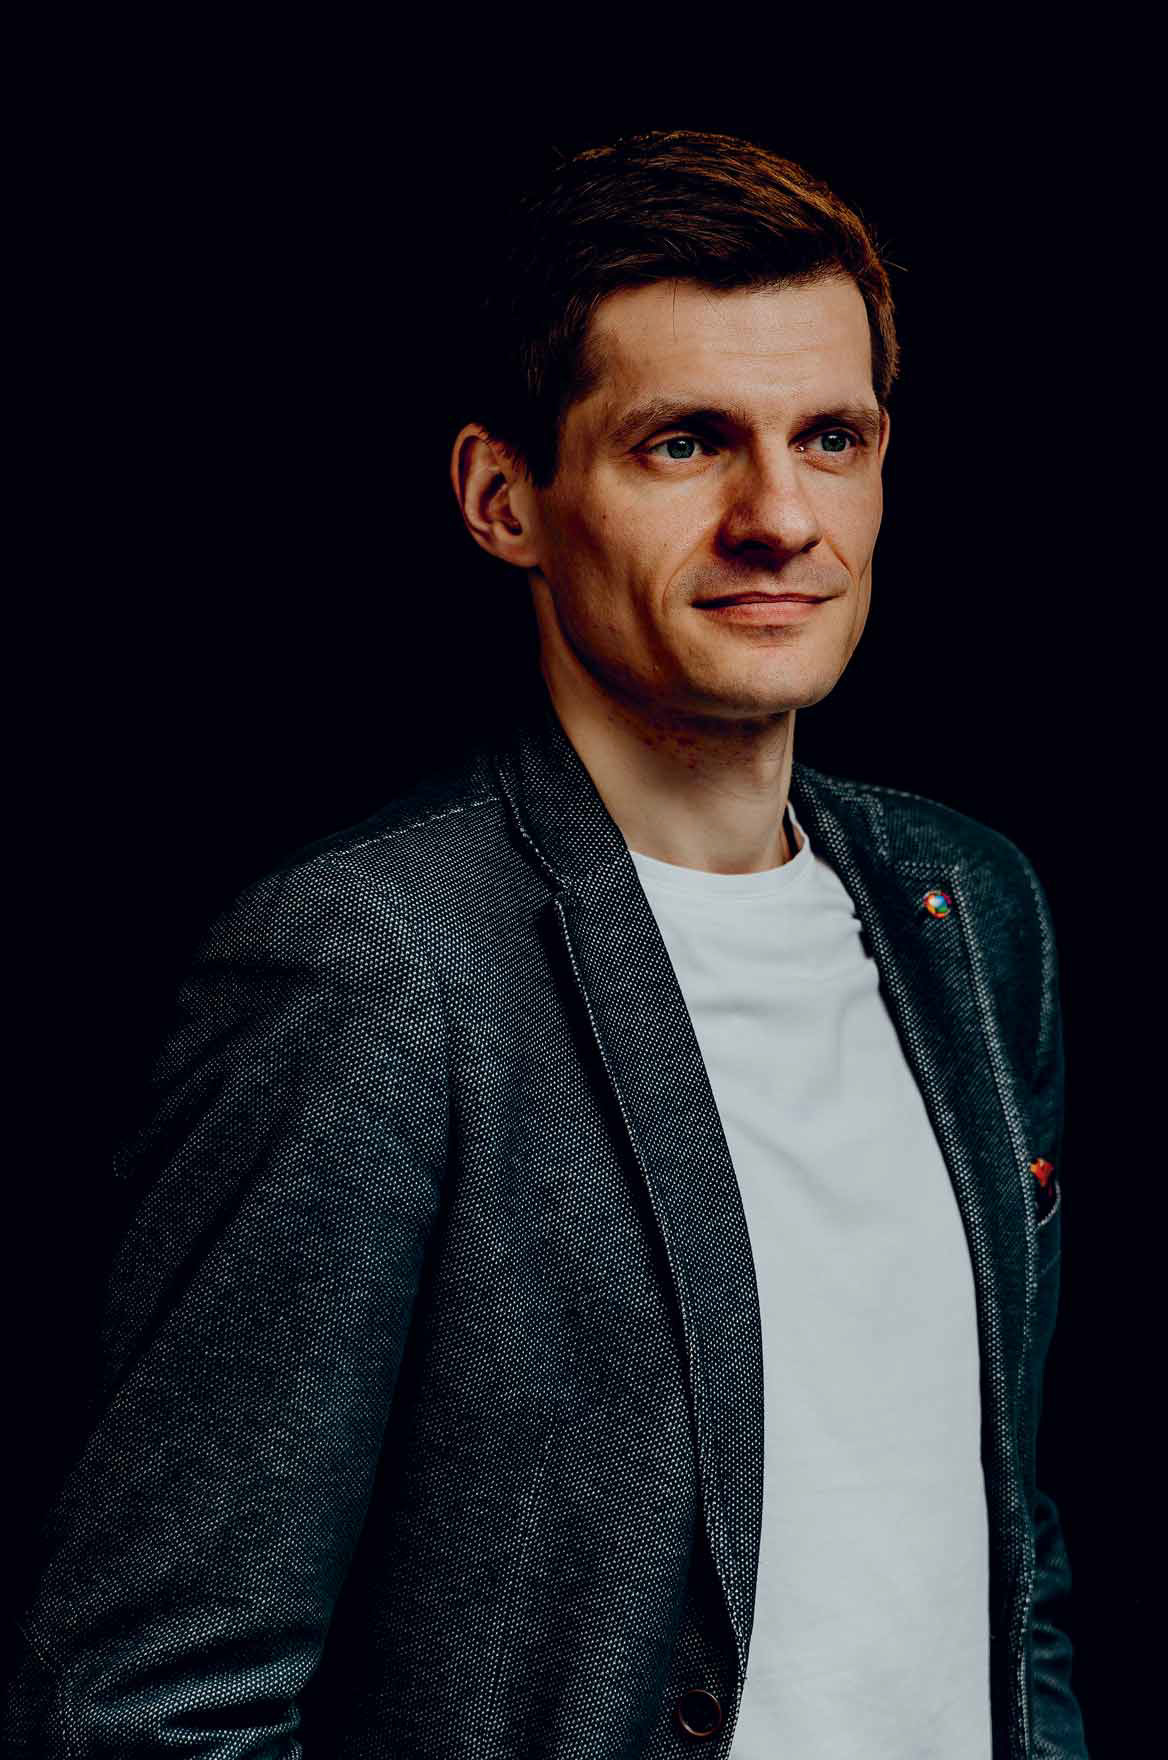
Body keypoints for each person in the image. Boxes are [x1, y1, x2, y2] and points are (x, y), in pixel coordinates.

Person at [5, 130, 1086, 1757]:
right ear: (504, 498)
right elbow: (142, 1703)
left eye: (832, 438)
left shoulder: (971, 908)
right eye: (685, 443)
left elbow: (1009, 1552)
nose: (780, 517)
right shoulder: (374, 968)